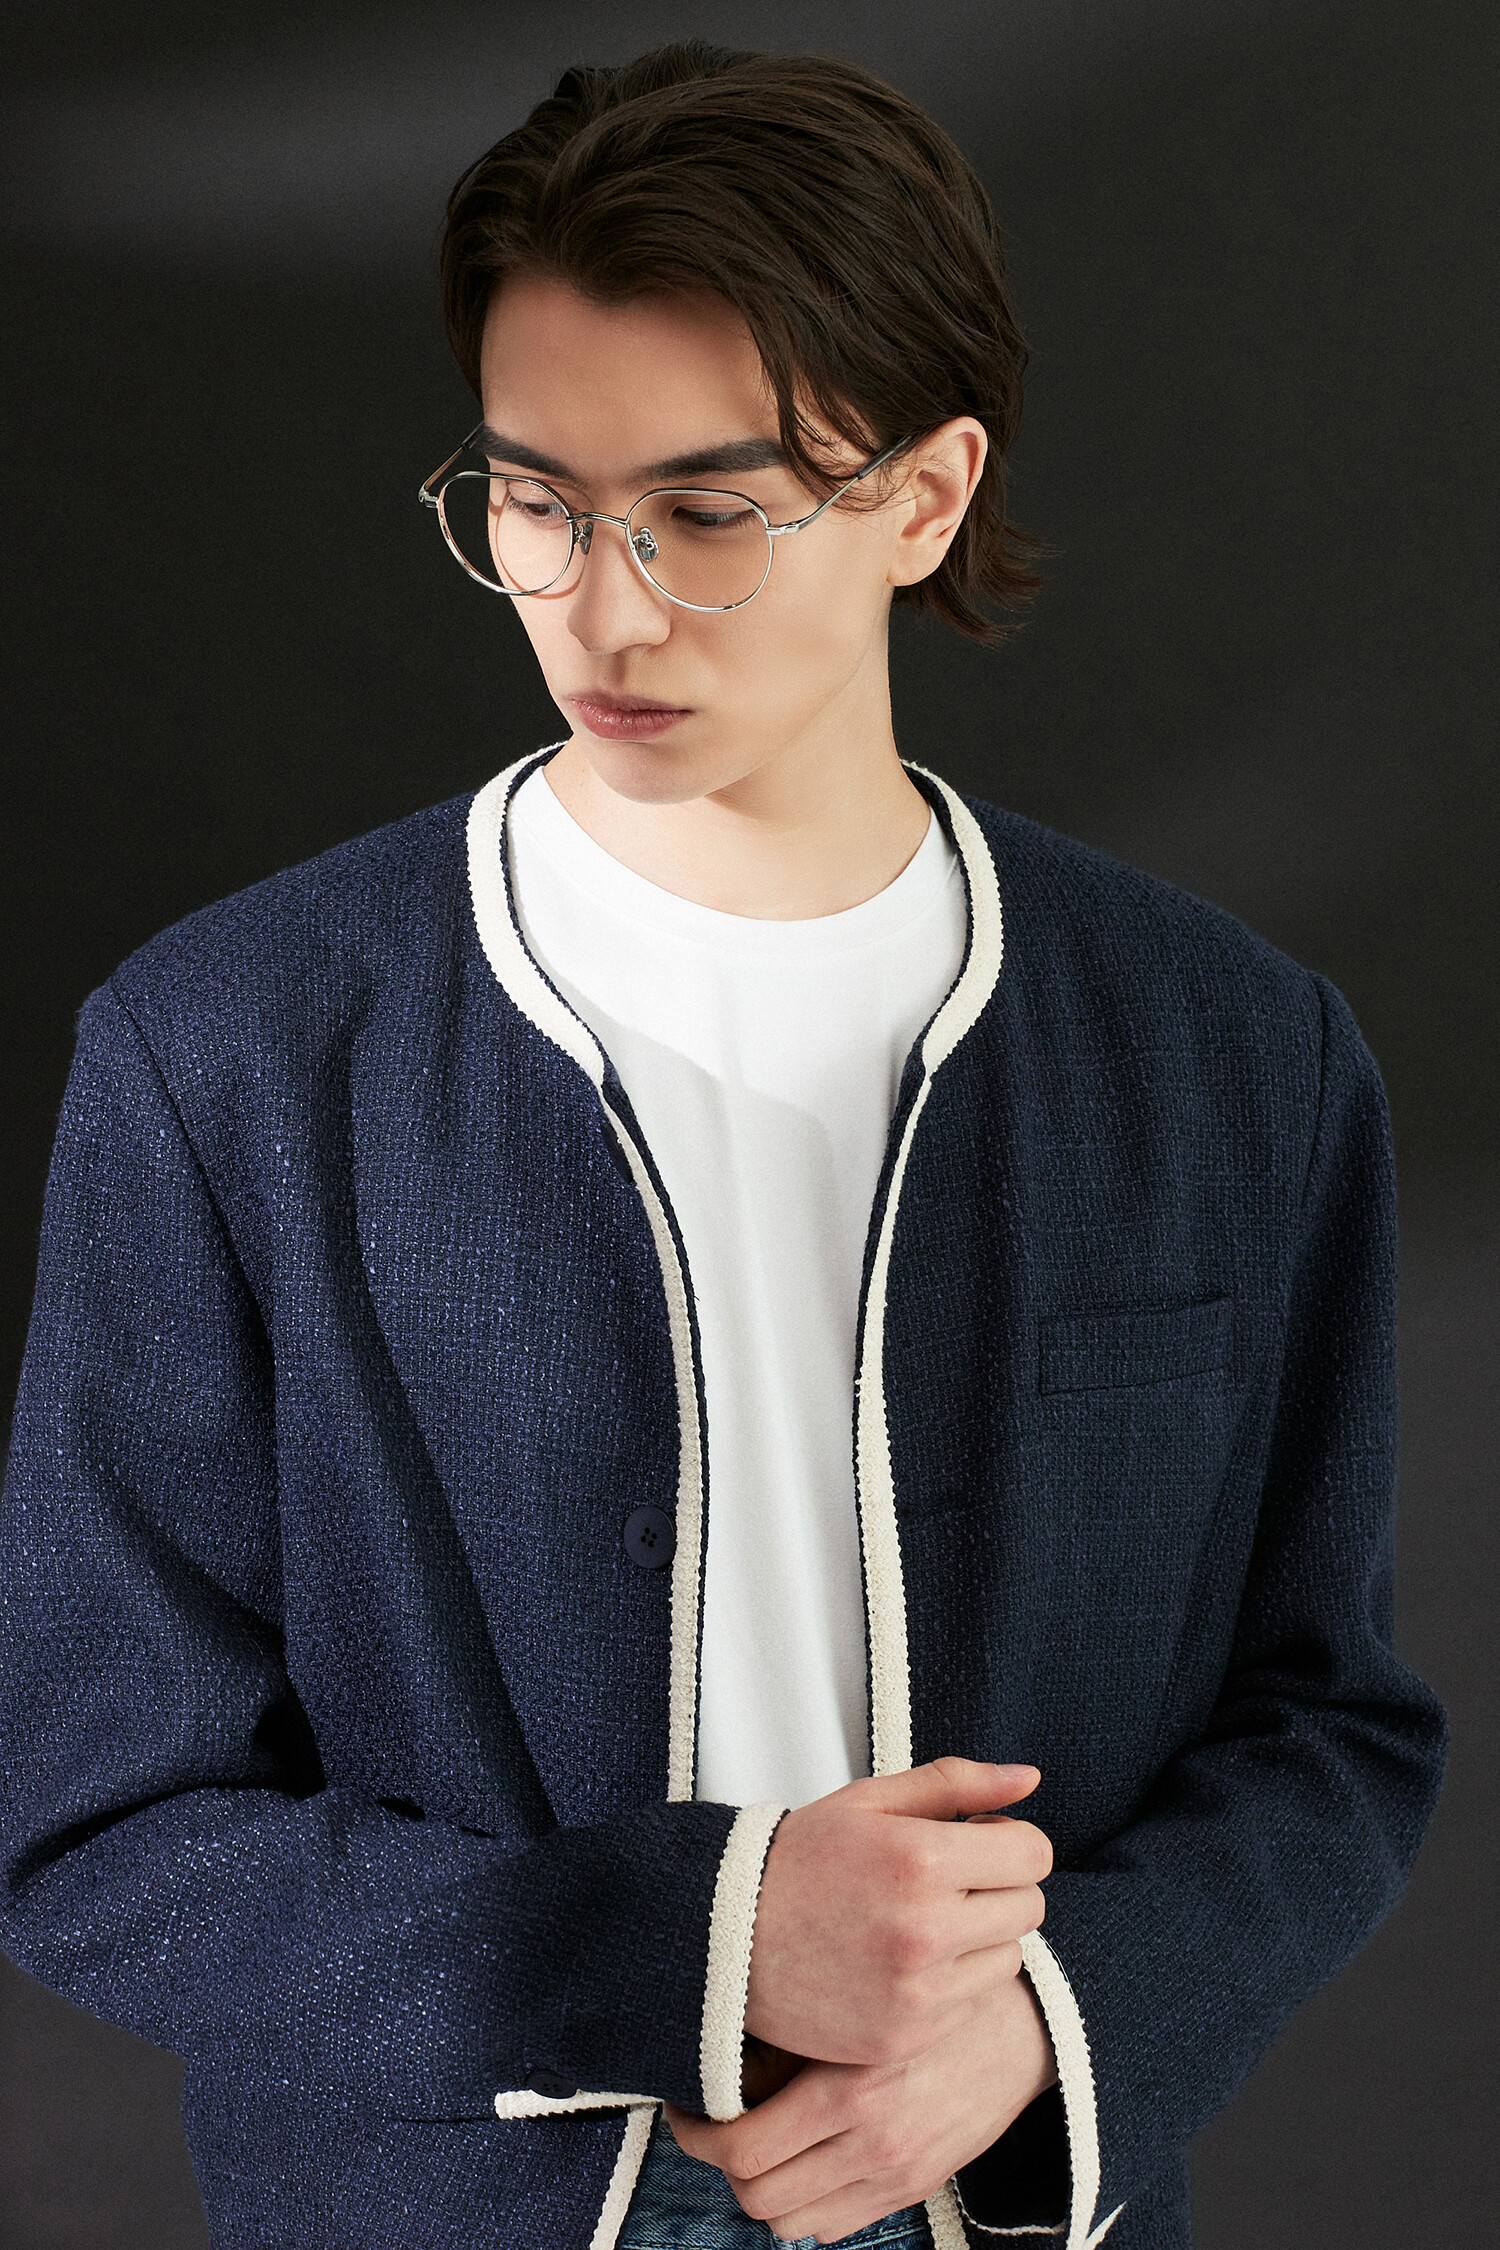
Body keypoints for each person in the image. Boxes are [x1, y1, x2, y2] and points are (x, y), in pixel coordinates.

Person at [0, 42, 1446, 2250]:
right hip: (469, 2197)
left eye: (708, 512)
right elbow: (99, 1829)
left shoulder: (1232, 1052)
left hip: (1004, 2184)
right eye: (533, 501)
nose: (601, 604)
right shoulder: (230, 1056)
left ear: (927, 498)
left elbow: (1326, 1727)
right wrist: (703, 1943)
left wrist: (1048, 2029)